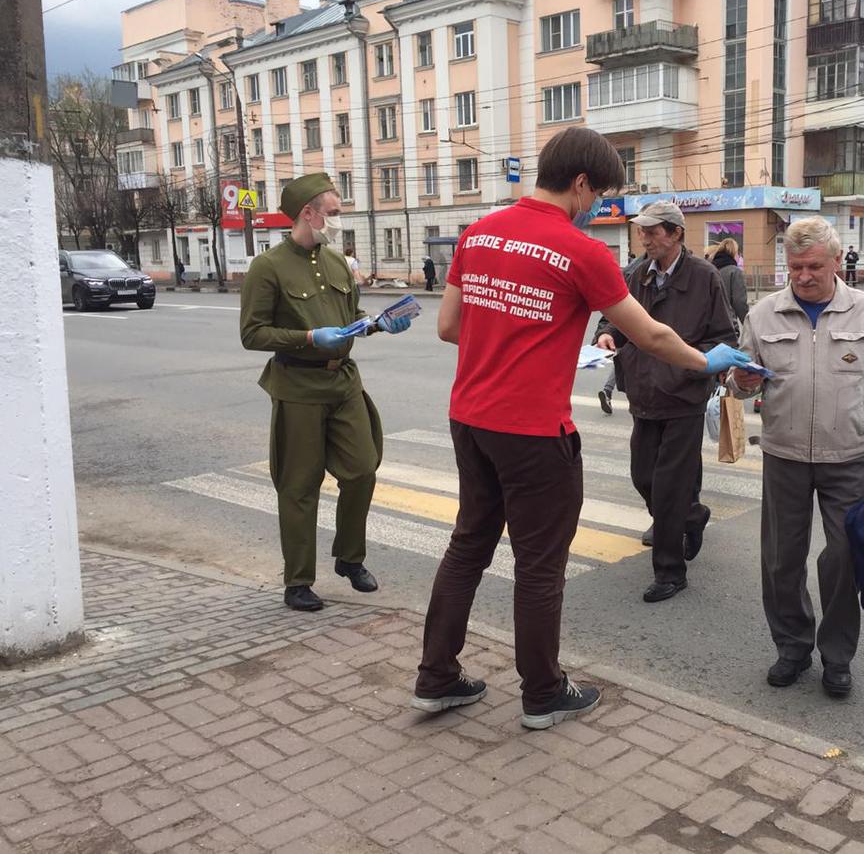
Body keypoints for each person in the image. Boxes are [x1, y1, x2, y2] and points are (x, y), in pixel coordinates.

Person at [410, 127, 749, 729]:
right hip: (536, 431)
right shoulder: (581, 251)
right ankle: (543, 693)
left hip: (470, 418)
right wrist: (706, 361)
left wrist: (511, 336)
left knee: (468, 546)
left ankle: (436, 678)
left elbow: (448, 327)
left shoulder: (477, 234)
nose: (597, 209)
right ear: (582, 182)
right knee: (540, 566)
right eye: (599, 196)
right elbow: (649, 334)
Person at [728, 217, 864, 697]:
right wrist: (740, 382)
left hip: (846, 458)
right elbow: (737, 377)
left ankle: (836, 655)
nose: (804, 276)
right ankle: (792, 645)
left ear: (838, 262)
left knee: (844, 558)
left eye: (814, 266)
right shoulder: (764, 315)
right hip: (784, 456)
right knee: (780, 559)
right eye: (795, 267)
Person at [239, 172, 412, 612]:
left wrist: (378, 323)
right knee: (299, 485)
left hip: (343, 382)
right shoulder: (268, 267)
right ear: (308, 213)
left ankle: (349, 559)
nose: (337, 220)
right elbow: (253, 334)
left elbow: (350, 314)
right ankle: (297, 581)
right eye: (333, 212)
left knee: (362, 468)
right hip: (298, 386)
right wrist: (311, 339)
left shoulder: (337, 263)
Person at [594, 202, 737, 603]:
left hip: (684, 396)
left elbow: (723, 337)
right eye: (642, 231)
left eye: (652, 231)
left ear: (675, 233)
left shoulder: (704, 276)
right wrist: (606, 335)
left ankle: (671, 572)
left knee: (671, 487)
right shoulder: (636, 274)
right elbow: (614, 318)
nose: (644, 238)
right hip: (643, 392)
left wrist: (688, 369)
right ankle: (693, 516)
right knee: (644, 476)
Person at [598, 252, 646, 416]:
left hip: (626, 325)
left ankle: (608, 390)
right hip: (638, 326)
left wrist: (605, 331)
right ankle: (613, 392)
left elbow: (611, 308)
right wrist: (607, 331)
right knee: (627, 357)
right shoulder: (640, 270)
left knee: (624, 356)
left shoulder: (631, 268)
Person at [711, 238, 749, 331]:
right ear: (734, 253)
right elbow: (739, 302)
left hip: (708, 324)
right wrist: (749, 325)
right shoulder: (734, 272)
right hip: (727, 325)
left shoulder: (709, 269)